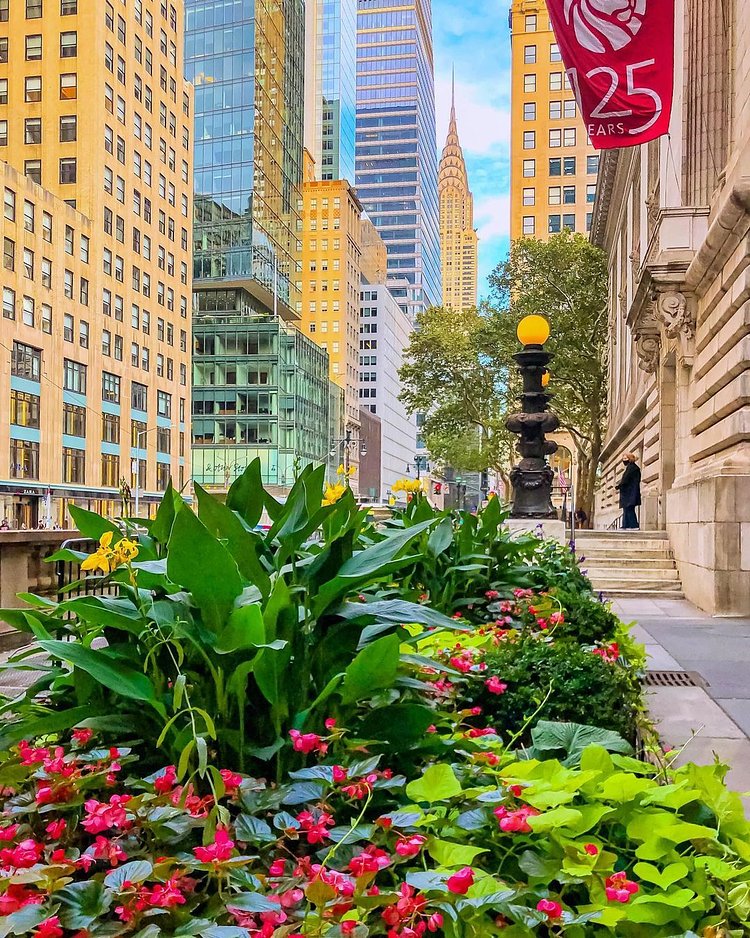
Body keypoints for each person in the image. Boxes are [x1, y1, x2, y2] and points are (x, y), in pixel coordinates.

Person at [616, 453, 641, 530]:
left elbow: (625, 480)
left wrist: (618, 486)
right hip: (629, 492)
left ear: (629, 459)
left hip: (629, 493)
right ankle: (626, 524)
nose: (624, 461)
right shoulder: (631, 468)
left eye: (625, 459)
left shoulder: (632, 468)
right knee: (626, 509)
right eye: (623, 459)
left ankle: (633, 525)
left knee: (629, 509)